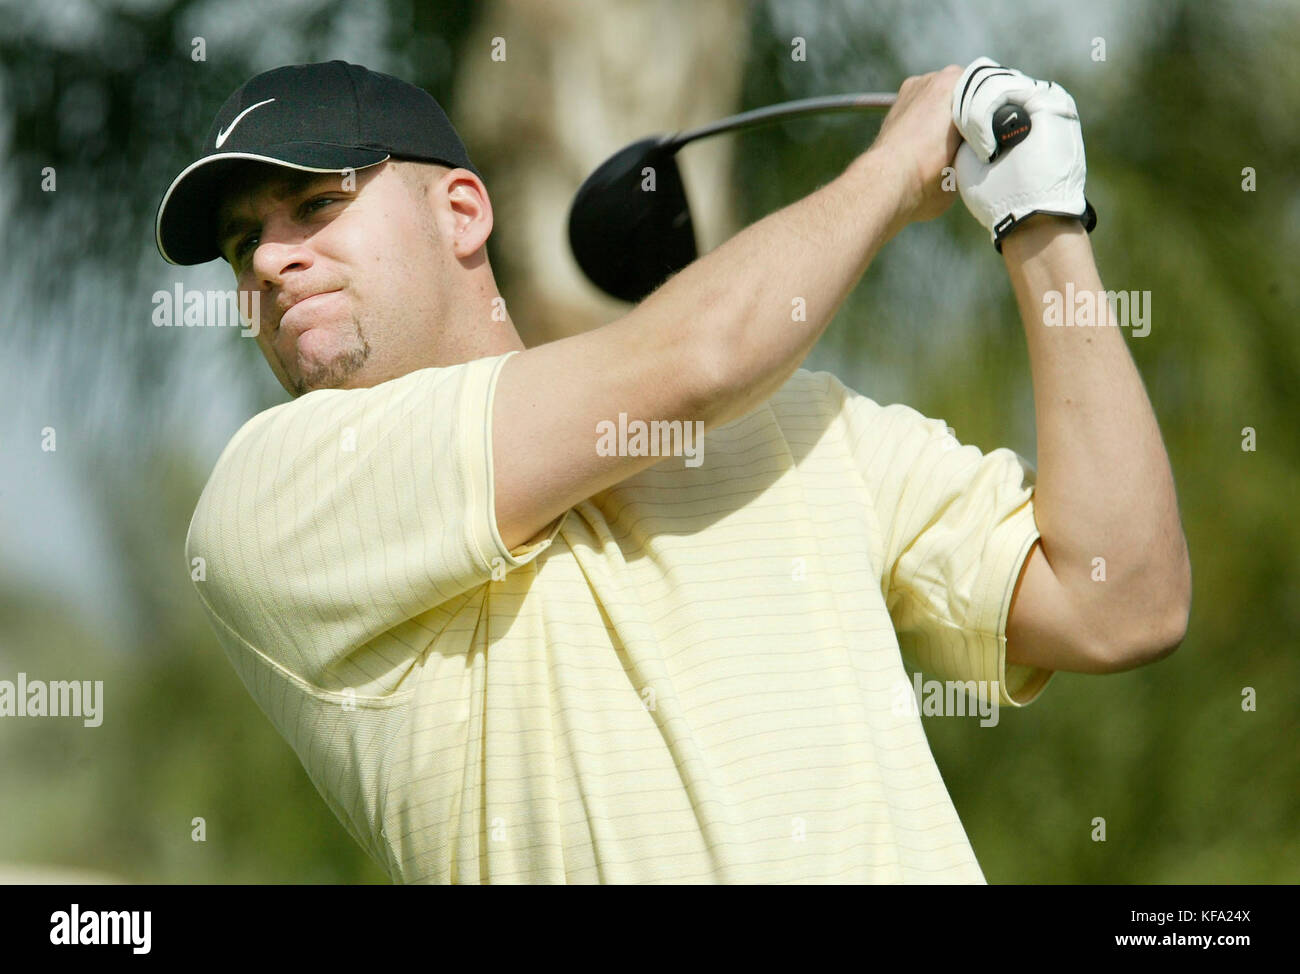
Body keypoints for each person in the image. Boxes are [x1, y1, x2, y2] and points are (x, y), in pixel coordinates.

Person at [158, 58, 1191, 883]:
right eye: (243, 241)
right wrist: (897, 165)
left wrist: (1038, 216)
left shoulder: (798, 425)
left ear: (463, 211)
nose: (267, 260)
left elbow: (1121, 602)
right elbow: (700, 355)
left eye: (313, 205)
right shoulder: (271, 496)